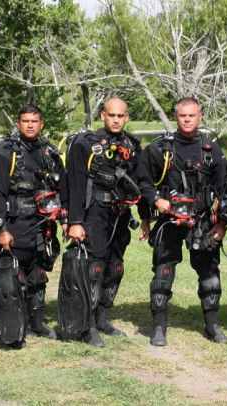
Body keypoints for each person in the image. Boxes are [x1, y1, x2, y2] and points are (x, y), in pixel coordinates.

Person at [137, 97, 227, 347]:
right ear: (175, 117)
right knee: (163, 272)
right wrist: (155, 201)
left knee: (210, 273)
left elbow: (225, 191)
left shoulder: (212, 150)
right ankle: (159, 327)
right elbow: (143, 180)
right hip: (170, 218)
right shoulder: (159, 149)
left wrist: (222, 223)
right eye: (182, 115)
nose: (187, 119)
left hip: (202, 219)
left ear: (200, 117)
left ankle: (212, 325)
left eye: (192, 115)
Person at [65, 97, 143, 347]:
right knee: (94, 270)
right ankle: (87, 325)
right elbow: (74, 184)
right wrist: (74, 221)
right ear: (103, 115)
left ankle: (103, 319)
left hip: (120, 214)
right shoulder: (85, 144)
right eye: (112, 115)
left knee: (115, 267)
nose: (116, 120)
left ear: (127, 117)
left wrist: (146, 217)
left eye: (121, 116)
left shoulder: (132, 145)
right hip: (94, 212)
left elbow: (139, 183)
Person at [0, 104, 65, 346]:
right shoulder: (5, 154)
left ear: (41, 124)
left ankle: (37, 323)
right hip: (16, 222)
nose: (30, 125)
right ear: (18, 123)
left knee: (38, 274)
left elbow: (62, 188)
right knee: (15, 275)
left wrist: (65, 220)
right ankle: (13, 325)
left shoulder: (49, 153)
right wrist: (2, 230)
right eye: (25, 121)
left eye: (34, 121)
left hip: (43, 223)